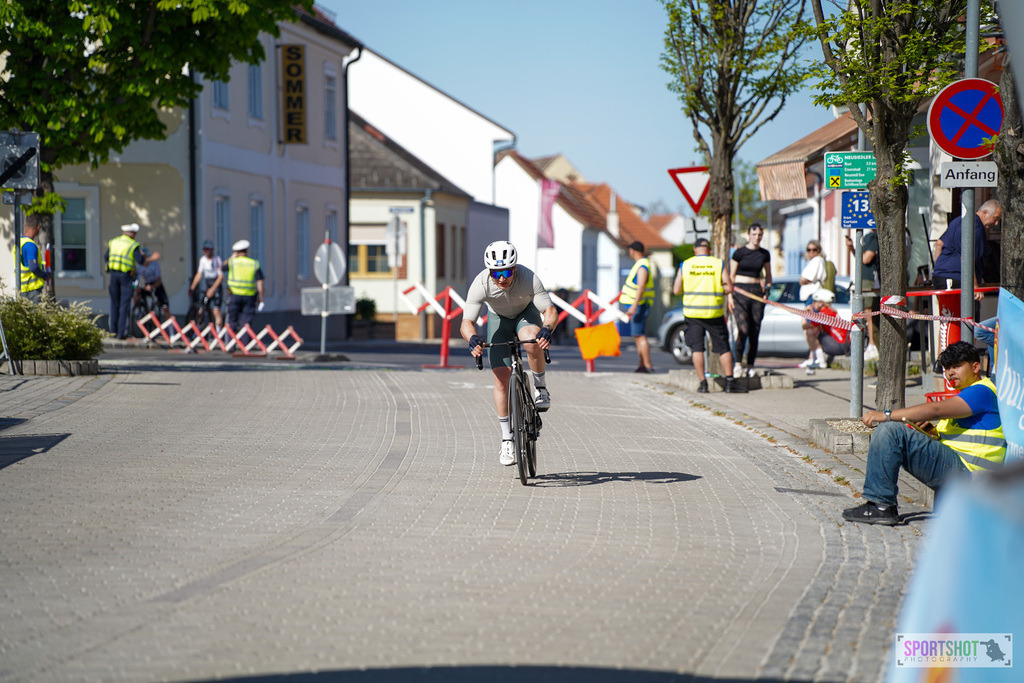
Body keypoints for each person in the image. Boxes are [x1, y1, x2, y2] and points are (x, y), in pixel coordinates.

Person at [842, 341, 1005, 526]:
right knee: (896, 432)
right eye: (947, 368)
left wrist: (886, 415)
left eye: (957, 367)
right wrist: (931, 433)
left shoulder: (982, 391)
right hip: (963, 472)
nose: (951, 373)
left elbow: (935, 409)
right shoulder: (969, 394)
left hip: (970, 475)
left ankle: (881, 506)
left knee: (890, 431)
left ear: (975, 367)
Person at [460, 241, 558, 466]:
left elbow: (550, 311)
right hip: (499, 320)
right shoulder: (481, 283)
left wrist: (547, 329)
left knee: (532, 340)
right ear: (489, 272)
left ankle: (540, 388)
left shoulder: (528, 278)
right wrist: (473, 338)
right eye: (496, 273)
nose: (501, 278)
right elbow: (466, 322)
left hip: (526, 314)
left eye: (506, 272)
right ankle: (507, 438)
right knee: (501, 379)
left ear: (514, 268)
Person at [672, 237, 744, 394]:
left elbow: (676, 290)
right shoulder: (717, 264)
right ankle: (730, 383)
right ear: (709, 250)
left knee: (697, 348)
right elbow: (729, 287)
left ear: (694, 249)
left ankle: (703, 384)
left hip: (693, 313)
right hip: (714, 313)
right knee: (723, 348)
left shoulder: (686, 265)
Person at [932, 199, 1001, 301]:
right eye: (995, 218)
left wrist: (939, 270)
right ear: (985, 213)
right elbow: (967, 258)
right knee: (968, 315)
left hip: (940, 278)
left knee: (948, 315)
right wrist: (975, 286)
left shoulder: (959, 220)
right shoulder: (976, 229)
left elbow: (939, 244)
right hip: (958, 279)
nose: (996, 223)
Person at [729, 223, 772, 377]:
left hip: (756, 294)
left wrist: (767, 291)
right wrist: (729, 296)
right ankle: (738, 363)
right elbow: (731, 277)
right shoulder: (739, 253)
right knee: (743, 329)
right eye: (754, 234)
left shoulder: (764, 254)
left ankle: (751, 365)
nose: (757, 237)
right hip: (740, 292)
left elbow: (768, 276)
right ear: (749, 235)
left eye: (759, 235)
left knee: (755, 330)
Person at [211, 239, 264, 332]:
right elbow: (260, 282)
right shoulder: (254, 263)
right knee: (246, 323)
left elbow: (221, 268)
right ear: (246, 250)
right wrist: (261, 297)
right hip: (250, 296)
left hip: (234, 295)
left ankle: (231, 344)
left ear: (236, 252)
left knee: (231, 321)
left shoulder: (232, 262)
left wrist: (231, 257)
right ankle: (244, 344)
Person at [105, 222, 146, 339]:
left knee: (114, 304)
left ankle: (113, 332)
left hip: (113, 276)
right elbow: (141, 260)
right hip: (127, 277)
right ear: (132, 234)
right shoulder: (133, 245)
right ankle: (122, 333)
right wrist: (143, 255)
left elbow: (106, 257)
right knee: (125, 304)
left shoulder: (113, 242)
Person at [619, 240, 655, 374]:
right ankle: (642, 365)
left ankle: (647, 365)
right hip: (639, 305)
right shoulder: (642, 264)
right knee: (637, 335)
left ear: (633, 251)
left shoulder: (642, 266)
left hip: (639, 305)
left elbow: (641, 287)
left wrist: (634, 306)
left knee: (640, 335)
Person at [844, 230, 879, 361]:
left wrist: (855, 250)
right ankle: (868, 343)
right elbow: (861, 259)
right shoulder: (867, 236)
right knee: (865, 311)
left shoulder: (873, 237)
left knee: (869, 311)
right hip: (864, 278)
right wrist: (852, 248)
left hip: (870, 278)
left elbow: (865, 259)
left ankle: (872, 344)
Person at [798, 289, 849, 373]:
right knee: (815, 330)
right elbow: (814, 323)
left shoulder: (824, 313)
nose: (812, 304)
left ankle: (820, 360)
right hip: (842, 345)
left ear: (821, 303)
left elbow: (805, 326)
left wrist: (804, 314)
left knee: (810, 332)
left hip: (839, 346)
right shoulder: (828, 311)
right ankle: (816, 358)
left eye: (815, 301)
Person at [188, 239, 224, 330]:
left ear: (212, 250)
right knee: (202, 308)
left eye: (208, 249)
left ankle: (219, 333)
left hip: (216, 286)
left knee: (216, 311)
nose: (206, 252)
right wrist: (192, 287)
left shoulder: (217, 260)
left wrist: (212, 289)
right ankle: (199, 329)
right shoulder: (203, 260)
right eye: (204, 250)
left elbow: (220, 277)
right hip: (208, 285)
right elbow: (199, 274)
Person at [12, 213, 48, 303]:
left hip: (21, 289)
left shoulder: (18, 243)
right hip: (32, 291)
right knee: (33, 316)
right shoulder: (30, 245)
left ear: (25, 226)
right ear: (38, 227)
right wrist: (45, 275)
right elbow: (33, 267)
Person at [133, 247, 171, 319]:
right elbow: (134, 281)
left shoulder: (155, 265)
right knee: (136, 295)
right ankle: (139, 312)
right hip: (147, 284)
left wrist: (152, 286)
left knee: (165, 307)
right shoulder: (139, 267)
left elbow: (159, 280)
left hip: (156, 285)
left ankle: (171, 328)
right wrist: (135, 288)